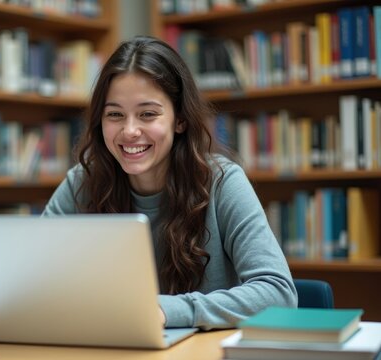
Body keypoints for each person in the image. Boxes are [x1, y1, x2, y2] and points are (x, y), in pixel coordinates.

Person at [42, 35, 297, 330]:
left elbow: (279, 294)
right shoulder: (82, 183)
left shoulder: (223, 183)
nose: (129, 131)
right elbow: (32, 276)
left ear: (180, 120)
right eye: (115, 115)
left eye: (148, 114)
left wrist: (168, 310)